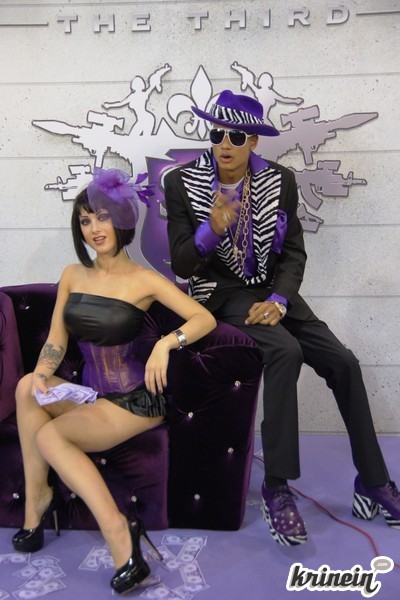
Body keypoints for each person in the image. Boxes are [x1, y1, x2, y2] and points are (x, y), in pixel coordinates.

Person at [164, 89, 400, 547]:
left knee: (344, 362)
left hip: (275, 294)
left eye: (236, 135)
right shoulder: (181, 183)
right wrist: (211, 230)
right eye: (217, 133)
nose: (225, 143)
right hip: (222, 296)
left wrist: (280, 300)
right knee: (285, 352)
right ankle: (277, 487)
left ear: (253, 141)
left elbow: (293, 254)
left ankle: (373, 481)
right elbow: (183, 265)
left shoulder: (280, 180)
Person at [12, 167, 216, 593]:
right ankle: (37, 503)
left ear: (122, 219)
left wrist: (166, 344)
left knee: (51, 436)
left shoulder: (143, 279)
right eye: (85, 220)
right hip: (90, 395)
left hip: (133, 400)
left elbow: (204, 318)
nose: (94, 228)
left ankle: (121, 535)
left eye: (102, 217)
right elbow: (56, 339)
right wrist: (44, 374)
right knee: (26, 385)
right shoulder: (73, 274)